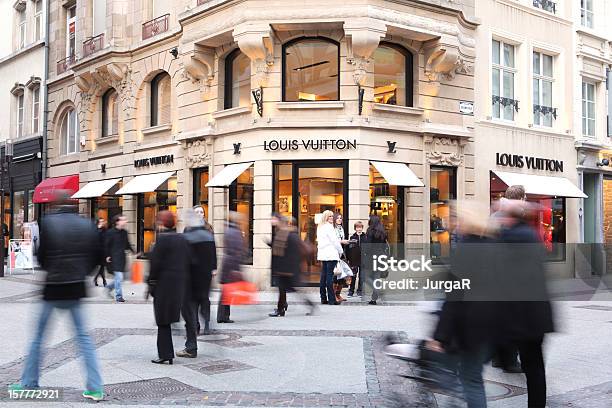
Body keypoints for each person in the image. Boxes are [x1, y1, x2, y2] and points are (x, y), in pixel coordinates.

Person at [10, 191, 103, 401]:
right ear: (73, 204)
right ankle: (95, 387)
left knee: (38, 338)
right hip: (76, 286)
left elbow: (41, 256)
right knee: (84, 339)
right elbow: (96, 256)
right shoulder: (86, 224)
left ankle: (29, 383)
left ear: (54, 204)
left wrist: (52, 269)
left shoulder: (48, 223)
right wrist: (81, 272)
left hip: (53, 287)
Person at [498, 198, 554, 408]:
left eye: (503, 214)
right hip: (536, 313)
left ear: (510, 217)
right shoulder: (531, 235)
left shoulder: (512, 236)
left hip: (522, 315)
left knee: (530, 362)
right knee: (535, 366)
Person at [147, 211, 190, 364]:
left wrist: (151, 282)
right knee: (170, 317)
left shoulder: (162, 240)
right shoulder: (182, 239)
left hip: (163, 285)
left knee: (163, 321)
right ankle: (168, 352)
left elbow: (155, 265)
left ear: (161, 223)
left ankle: (166, 354)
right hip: (178, 284)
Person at [176, 209, 217, 358]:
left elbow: (184, 259)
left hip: (189, 281)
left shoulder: (187, 236)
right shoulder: (207, 234)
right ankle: (206, 324)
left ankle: (191, 346)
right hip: (204, 279)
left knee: (189, 314)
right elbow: (213, 254)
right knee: (202, 304)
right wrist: (213, 269)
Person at [268, 213, 316, 317]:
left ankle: (308, 304)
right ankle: (281, 308)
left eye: (274, 219)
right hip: (283, 268)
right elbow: (280, 249)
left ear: (280, 221)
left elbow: (294, 251)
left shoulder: (290, 234)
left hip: (288, 269)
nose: (272, 221)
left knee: (291, 289)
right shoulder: (281, 233)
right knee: (283, 289)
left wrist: (291, 267)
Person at [217, 211, 245, 323]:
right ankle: (223, 316)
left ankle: (223, 316)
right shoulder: (236, 232)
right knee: (226, 292)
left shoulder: (228, 231)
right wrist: (237, 268)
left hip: (227, 265)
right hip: (231, 266)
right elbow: (236, 251)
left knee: (225, 291)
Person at [105, 215, 136, 303]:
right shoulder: (110, 232)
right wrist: (107, 255)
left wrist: (134, 252)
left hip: (122, 258)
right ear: (117, 222)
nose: (125, 221)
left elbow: (127, 244)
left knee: (120, 278)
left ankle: (109, 287)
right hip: (113, 258)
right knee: (119, 277)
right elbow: (106, 245)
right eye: (123, 220)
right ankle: (119, 296)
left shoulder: (125, 232)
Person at [316, 210, 344, 305]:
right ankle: (332, 300)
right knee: (329, 277)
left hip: (323, 254)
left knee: (323, 276)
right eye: (330, 216)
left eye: (332, 216)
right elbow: (335, 241)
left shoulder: (320, 227)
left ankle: (323, 298)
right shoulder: (329, 227)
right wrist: (341, 251)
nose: (332, 218)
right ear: (326, 218)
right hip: (331, 254)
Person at [365, 215, 387, 305]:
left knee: (365, 276)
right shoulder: (383, 232)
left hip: (371, 256)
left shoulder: (370, 231)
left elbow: (368, 246)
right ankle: (374, 299)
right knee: (376, 277)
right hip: (381, 256)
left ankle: (377, 290)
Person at [332, 213, 350, 302]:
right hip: (334, 254)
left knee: (341, 275)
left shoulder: (341, 229)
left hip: (341, 254)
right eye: (338, 218)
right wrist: (342, 241)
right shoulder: (333, 229)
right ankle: (334, 295)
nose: (339, 219)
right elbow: (334, 241)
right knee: (336, 274)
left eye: (341, 218)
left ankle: (338, 294)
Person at [346, 221, 365, 297]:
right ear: (355, 228)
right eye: (357, 227)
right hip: (354, 259)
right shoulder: (352, 237)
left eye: (360, 227)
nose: (359, 229)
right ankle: (351, 291)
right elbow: (349, 249)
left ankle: (360, 290)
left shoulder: (365, 236)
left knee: (362, 276)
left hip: (363, 259)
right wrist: (349, 259)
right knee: (353, 275)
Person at [92, 218, 108, 287]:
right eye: (101, 221)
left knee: (102, 267)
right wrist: (98, 229)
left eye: (103, 221)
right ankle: (104, 281)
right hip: (98, 252)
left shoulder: (105, 230)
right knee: (102, 267)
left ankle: (97, 279)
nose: (102, 223)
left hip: (104, 252)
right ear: (98, 223)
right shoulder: (96, 230)